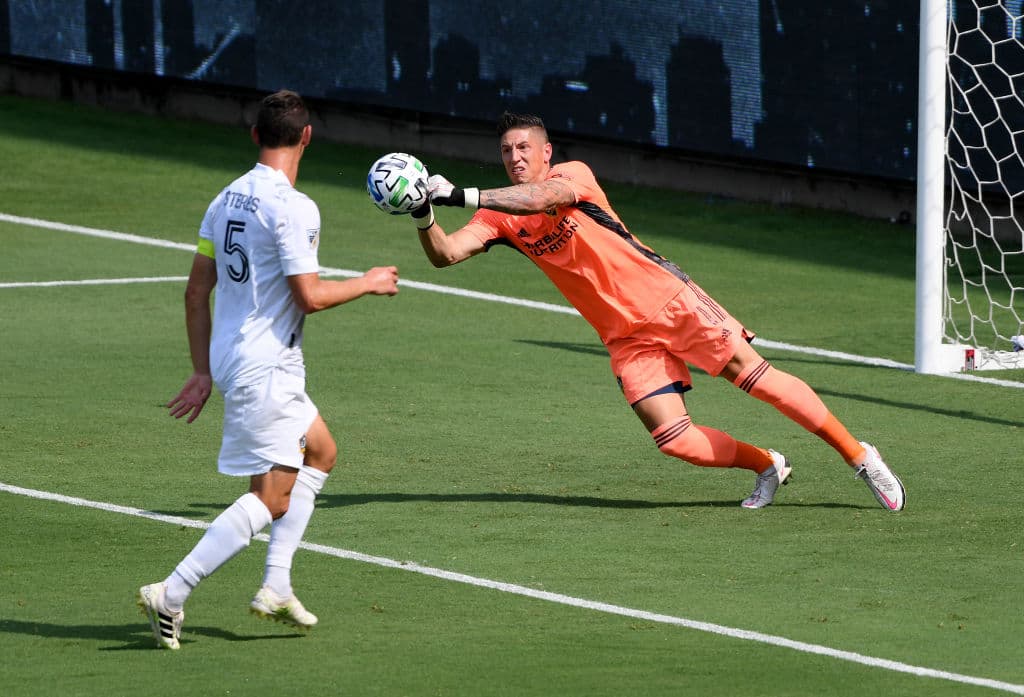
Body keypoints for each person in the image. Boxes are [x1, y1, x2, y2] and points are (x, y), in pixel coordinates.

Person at [410, 111, 905, 513]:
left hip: (669, 301)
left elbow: (543, 198)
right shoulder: (496, 217)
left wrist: (460, 193)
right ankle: (767, 465)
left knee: (760, 380)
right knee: (674, 439)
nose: (514, 157)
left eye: (523, 148)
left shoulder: (571, 176)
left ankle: (860, 456)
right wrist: (422, 213)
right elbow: (446, 254)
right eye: (506, 151)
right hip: (624, 338)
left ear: (546, 153)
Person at [137, 90, 400, 650]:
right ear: (307, 137)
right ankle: (173, 590)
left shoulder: (223, 198)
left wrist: (203, 370)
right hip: (269, 367)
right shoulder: (295, 207)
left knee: (322, 451)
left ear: (255, 135)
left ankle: (276, 585)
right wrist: (369, 282)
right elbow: (308, 296)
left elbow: (194, 292)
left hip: (238, 359)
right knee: (272, 497)